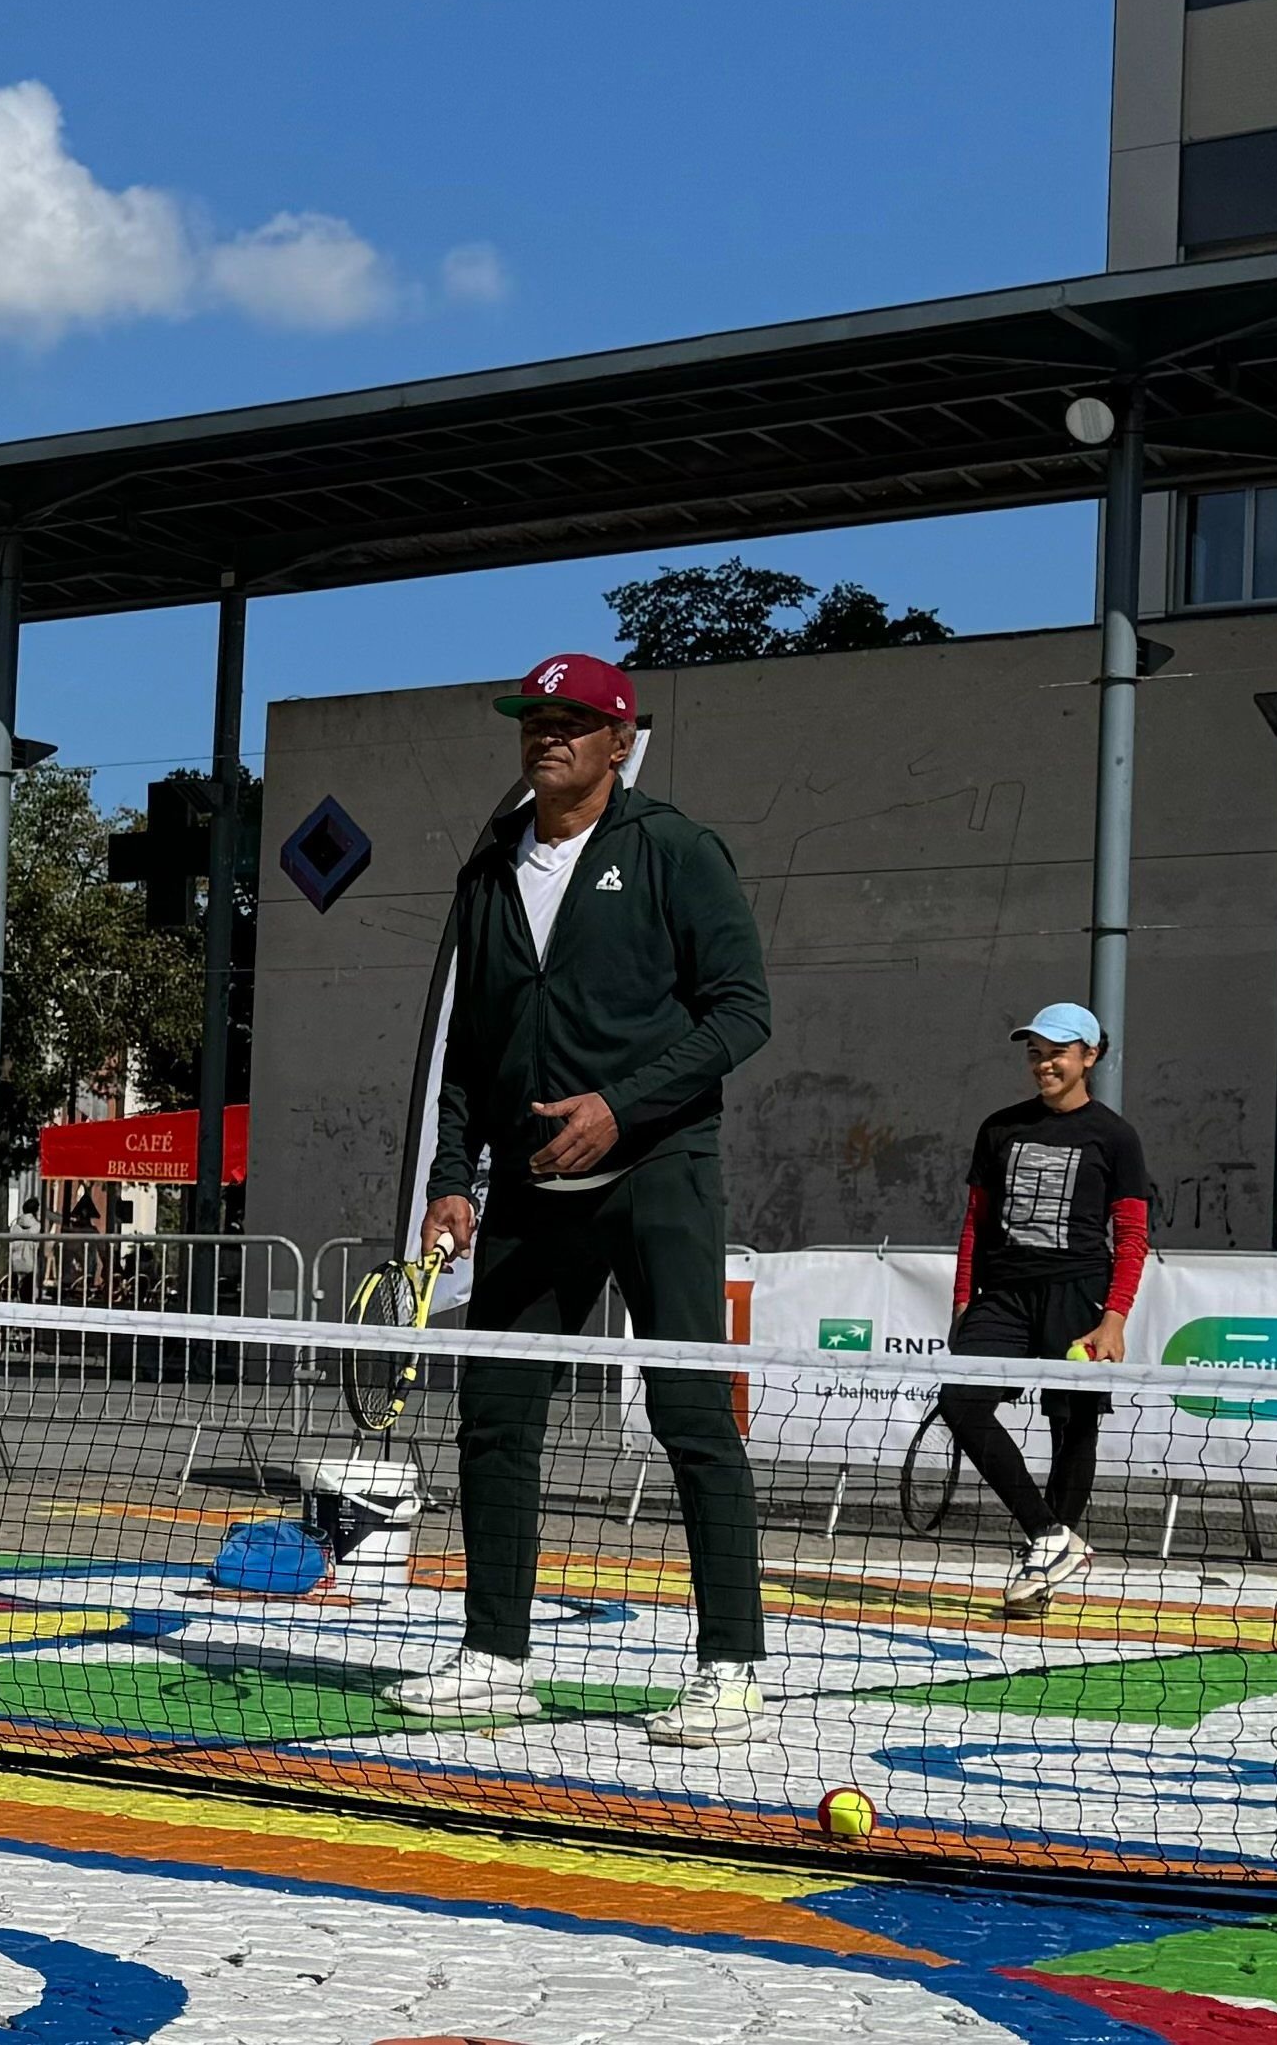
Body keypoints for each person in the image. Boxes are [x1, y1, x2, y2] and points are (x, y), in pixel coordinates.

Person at [385, 652, 776, 1750]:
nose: (544, 735)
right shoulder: (488, 869)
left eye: (569, 721)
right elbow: (468, 1046)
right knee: (496, 1423)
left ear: (620, 740)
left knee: (692, 1421)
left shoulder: (675, 851)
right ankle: (493, 1658)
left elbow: (741, 1014)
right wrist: (450, 1179)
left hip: (658, 1177)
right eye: (532, 721)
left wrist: (622, 1104)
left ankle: (732, 1668)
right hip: (527, 1191)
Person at [939, 1003, 1151, 1619]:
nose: (1044, 1063)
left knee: (1073, 1426)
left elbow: (1132, 1236)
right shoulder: (999, 1128)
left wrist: (1114, 1316)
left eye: (1057, 1051)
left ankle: (1040, 1571)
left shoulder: (1115, 1137)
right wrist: (962, 1302)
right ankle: (1050, 1535)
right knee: (960, 1401)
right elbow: (974, 1227)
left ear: (1089, 1056)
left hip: (1079, 1296)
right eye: (1034, 1052)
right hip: (1002, 1297)